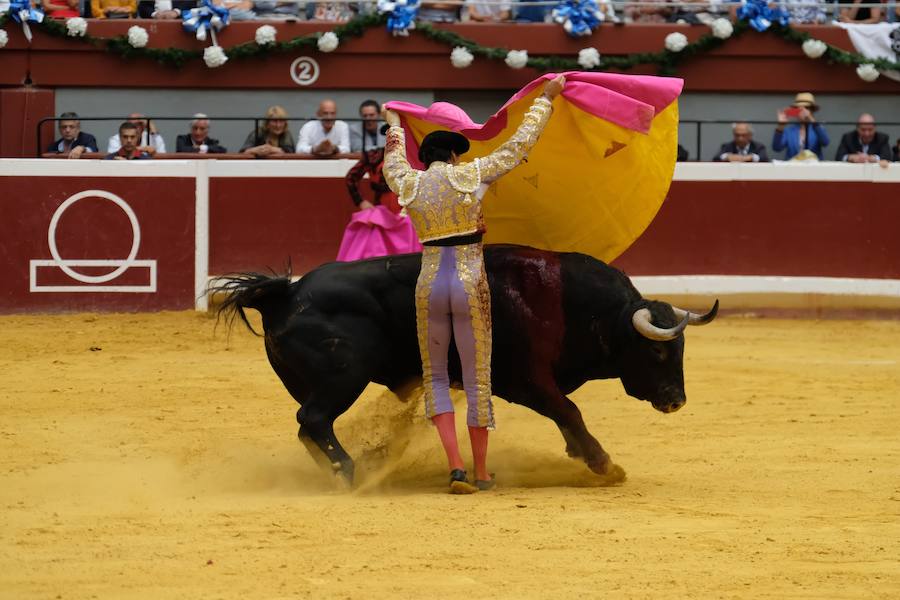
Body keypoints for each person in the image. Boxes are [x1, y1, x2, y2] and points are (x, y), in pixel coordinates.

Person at [382, 74, 566, 494]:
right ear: (452, 155)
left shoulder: (407, 182)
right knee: (476, 377)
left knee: (436, 377)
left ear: (425, 158)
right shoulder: (472, 175)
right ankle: (481, 472)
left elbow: (392, 158)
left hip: (430, 283)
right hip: (468, 282)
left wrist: (393, 123)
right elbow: (519, 146)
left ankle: (455, 468)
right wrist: (545, 100)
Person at [337, 124, 423, 261]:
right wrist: (360, 201)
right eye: (392, 136)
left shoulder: (415, 157)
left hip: (407, 210)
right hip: (382, 211)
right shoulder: (374, 156)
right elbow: (351, 178)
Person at [772, 92, 829, 160]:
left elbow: (825, 142)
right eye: (799, 109)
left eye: (806, 108)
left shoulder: (818, 128)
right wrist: (780, 126)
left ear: (812, 111)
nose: (803, 111)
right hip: (793, 165)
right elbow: (777, 148)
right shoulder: (789, 130)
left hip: (813, 165)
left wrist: (811, 119)